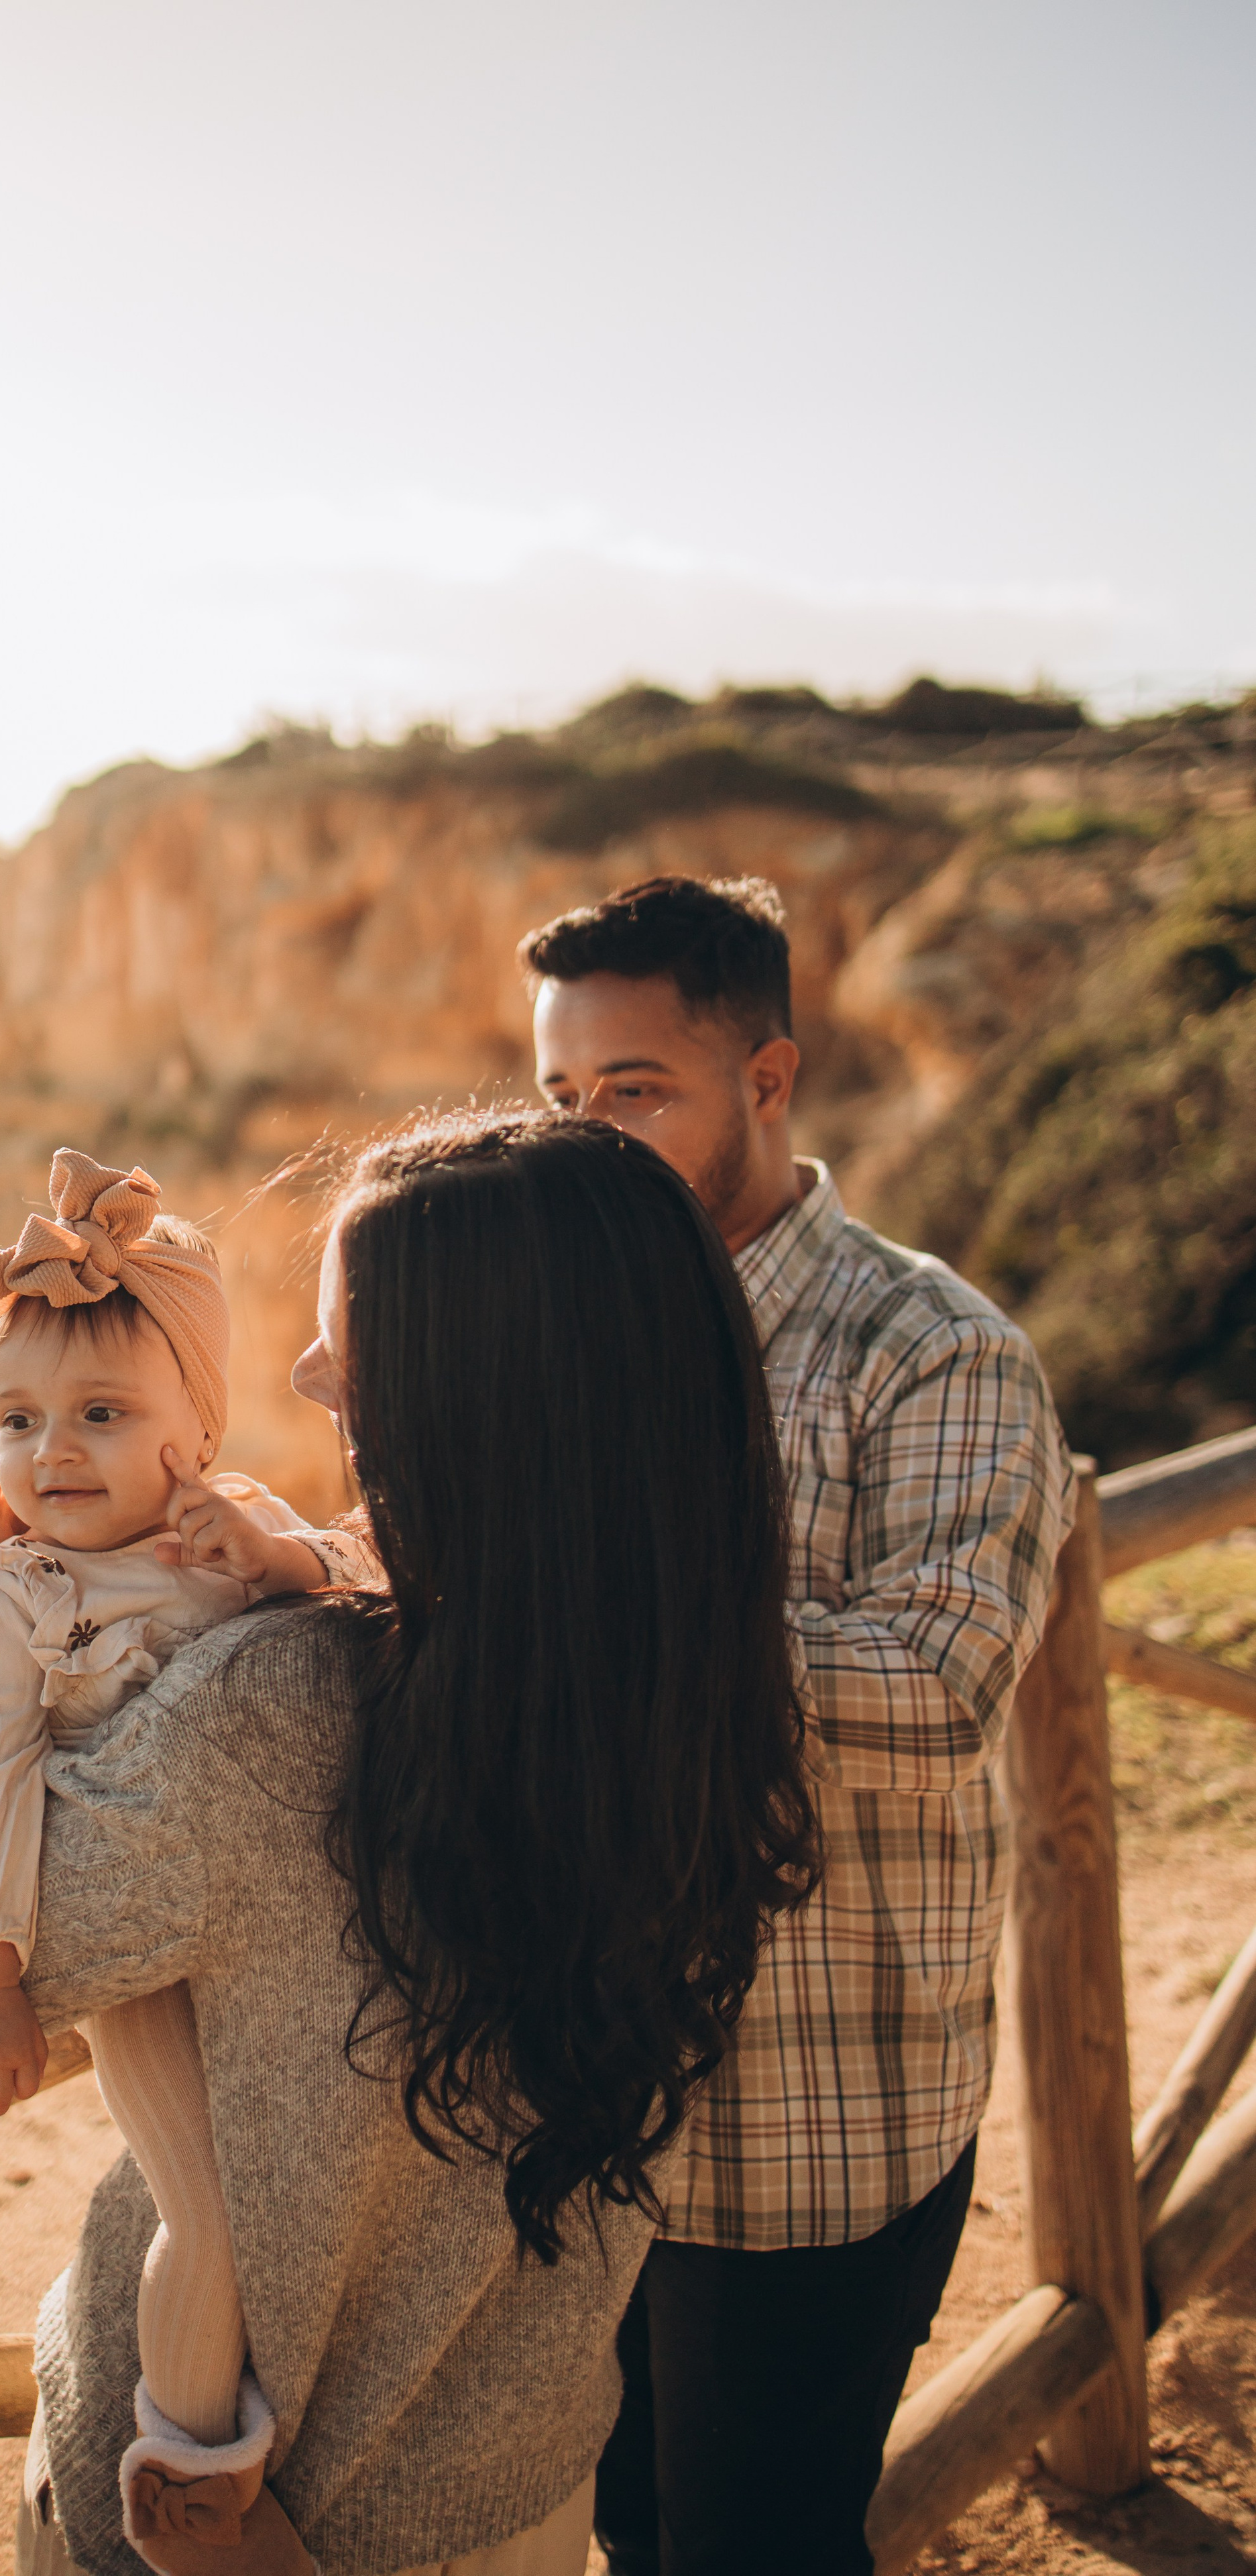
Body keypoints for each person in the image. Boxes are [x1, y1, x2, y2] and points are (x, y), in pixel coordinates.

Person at [0, 1109, 819, 2576]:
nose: (300, 1370)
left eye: (350, 1334)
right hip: (517, 2485)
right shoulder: (714, 1675)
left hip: (245, 2520)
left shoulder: (273, 1706)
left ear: (477, 1389)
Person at [521, 875, 1077, 2576]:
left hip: (815, 2117)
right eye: (558, 1100)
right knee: (617, 2530)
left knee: (760, 2548)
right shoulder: (551, 1336)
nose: (587, 1139)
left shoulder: (935, 1350)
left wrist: (615, 1605)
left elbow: (933, 1684)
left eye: (633, 1092)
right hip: (577, 2098)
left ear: (766, 1080)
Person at [0, 1148, 373, 2571]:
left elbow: (369, 1579)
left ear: (198, 1424)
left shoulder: (221, 1533)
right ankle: (185, 2479)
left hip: (273, 1948)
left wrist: (279, 1560)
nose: (51, 1454)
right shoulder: (6, 1599)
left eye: (102, 1414)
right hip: (145, 1977)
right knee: (209, 2207)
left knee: (305, 2185)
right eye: (18, 1419)